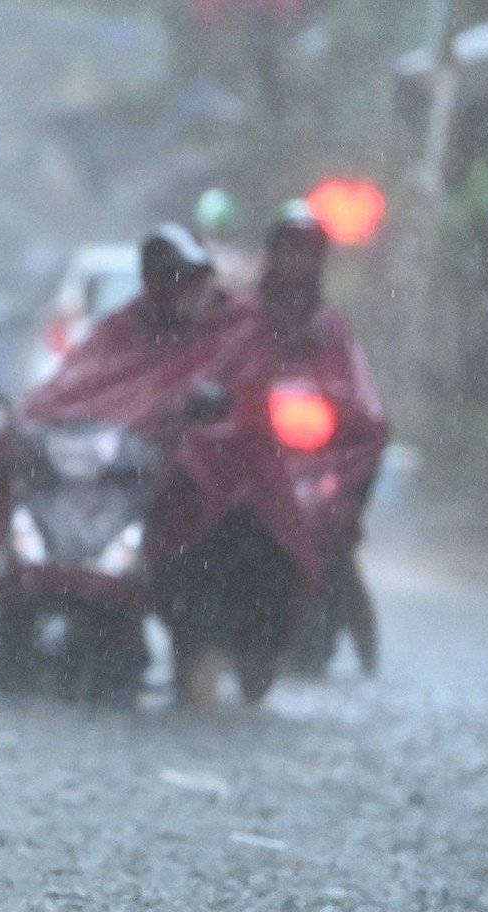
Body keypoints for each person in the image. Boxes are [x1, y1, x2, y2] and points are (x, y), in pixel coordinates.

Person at [0, 223, 256, 694]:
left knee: (206, 538)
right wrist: (28, 422)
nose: (179, 291)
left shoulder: (229, 331)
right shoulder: (123, 328)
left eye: (185, 277)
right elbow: (74, 386)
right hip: (103, 470)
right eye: (166, 277)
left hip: (183, 489)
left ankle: (197, 655)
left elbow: (236, 404)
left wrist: (191, 433)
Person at [193, 203, 389, 691]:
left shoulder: (329, 328)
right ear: (273, 253)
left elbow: (361, 406)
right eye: (289, 251)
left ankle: (339, 599)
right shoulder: (241, 317)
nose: (297, 263)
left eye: (307, 253)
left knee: (337, 535)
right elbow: (214, 370)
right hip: (243, 466)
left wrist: (346, 422)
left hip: (308, 464)